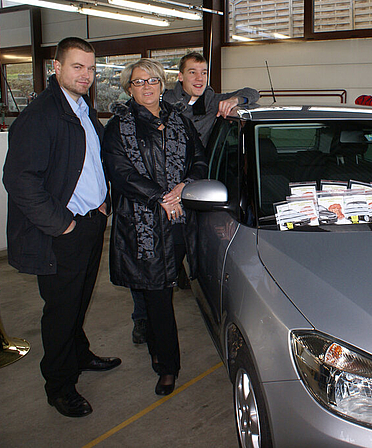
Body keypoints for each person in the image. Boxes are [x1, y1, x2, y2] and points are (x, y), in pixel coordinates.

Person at [3, 37, 121, 418]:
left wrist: (102, 202)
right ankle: (59, 385)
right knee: (60, 312)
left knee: (79, 301)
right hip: (63, 235)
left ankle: (79, 354)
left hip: (90, 222)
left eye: (91, 68)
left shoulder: (82, 107)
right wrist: (63, 225)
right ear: (56, 67)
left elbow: (87, 163)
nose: (86, 75)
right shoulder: (41, 115)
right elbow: (19, 180)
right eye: (77, 67)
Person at [103, 59, 207, 395]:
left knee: (167, 287)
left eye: (153, 80)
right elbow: (120, 172)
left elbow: (199, 158)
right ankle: (166, 366)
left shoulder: (180, 120)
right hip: (142, 224)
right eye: (138, 82)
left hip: (179, 221)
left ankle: (162, 355)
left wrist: (185, 186)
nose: (147, 87)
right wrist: (160, 196)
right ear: (128, 88)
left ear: (163, 84)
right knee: (156, 296)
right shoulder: (119, 125)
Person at [163, 51, 259, 147]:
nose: (199, 78)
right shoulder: (165, 101)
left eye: (203, 73)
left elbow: (252, 93)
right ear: (180, 76)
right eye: (192, 72)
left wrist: (235, 100)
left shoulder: (213, 101)